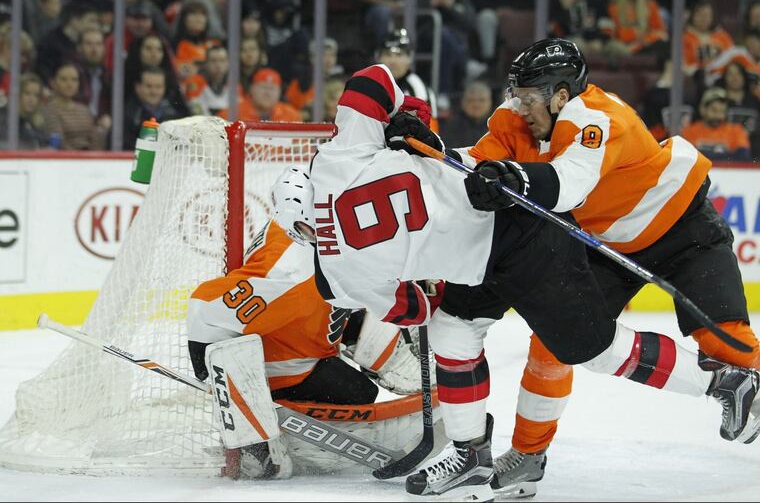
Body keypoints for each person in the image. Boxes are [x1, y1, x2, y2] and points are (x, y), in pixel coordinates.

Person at [295, 62, 760, 501]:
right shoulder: (340, 154)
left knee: (587, 348)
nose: (517, 107)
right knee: (455, 330)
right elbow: (377, 82)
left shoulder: (339, 273)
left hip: (535, 238)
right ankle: (471, 457)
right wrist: (408, 120)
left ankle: (723, 382)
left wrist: (421, 276)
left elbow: (412, 308)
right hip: (487, 246)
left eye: (527, 97)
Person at [460, 38, 760, 497]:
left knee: (732, 350)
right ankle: (528, 455)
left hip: (685, 230)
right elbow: (471, 166)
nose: (519, 107)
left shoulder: (596, 116)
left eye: (529, 97)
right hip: (612, 246)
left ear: (562, 95)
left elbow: (569, 187)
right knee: (555, 341)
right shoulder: (516, 121)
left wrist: (516, 178)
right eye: (516, 95)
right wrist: (421, 151)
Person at [186, 218, 428, 478]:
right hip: (280, 373)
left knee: (359, 386)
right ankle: (255, 446)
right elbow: (205, 307)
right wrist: (226, 388)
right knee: (356, 393)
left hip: (303, 339)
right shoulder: (291, 275)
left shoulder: (323, 237)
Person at [376, 28, 440, 131]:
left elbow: (430, 135)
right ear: (378, 57)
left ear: (410, 58)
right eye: (387, 54)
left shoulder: (418, 89)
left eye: (399, 55)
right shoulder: (370, 84)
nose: (393, 61)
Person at [42, 62, 110, 150]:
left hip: (90, 160)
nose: (70, 84)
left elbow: (94, 140)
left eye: (74, 80)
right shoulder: (50, 110)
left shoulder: (84, 110)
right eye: (64, 79)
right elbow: (59, 144)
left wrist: (102, 131)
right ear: (53, 83)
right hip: (66, 161)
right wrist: (80, 159)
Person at [123, 67, 185, 150]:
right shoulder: (127, 116)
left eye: (158, 87)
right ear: (138, 87)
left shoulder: (175, 115)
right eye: (149, 86)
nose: (154, 91)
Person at [217, 67, 301, 123]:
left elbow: (304, 147)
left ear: (279, 92)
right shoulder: (230, 114)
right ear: (252, 89)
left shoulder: (292, 116)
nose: (267, 93)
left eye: (272, 88)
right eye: (263, 87)